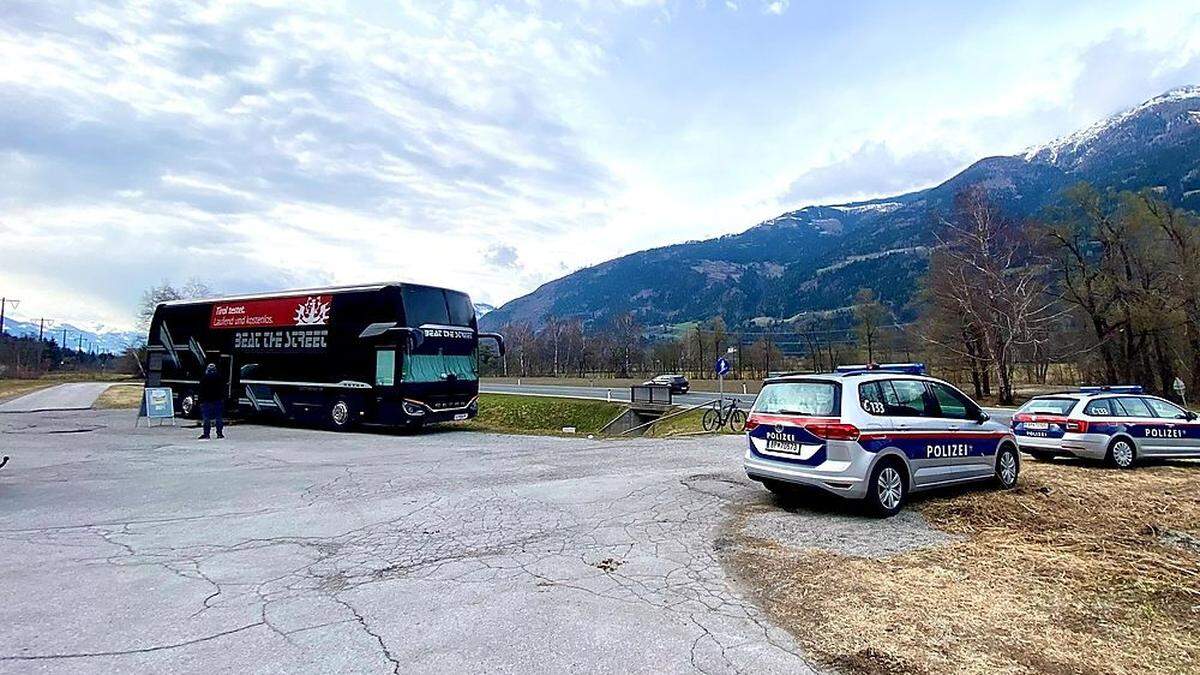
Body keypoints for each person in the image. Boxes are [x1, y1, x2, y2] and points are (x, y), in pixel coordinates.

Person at [198, 363, 225, 439]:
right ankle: (219, 433)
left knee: (206, 417)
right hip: (218, 400)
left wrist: (200, 400)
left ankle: (206, 434)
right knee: (218, 417)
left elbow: (201, 390)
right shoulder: (219, 378)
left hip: (206, 400)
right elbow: (223, 389)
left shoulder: (204, 378)